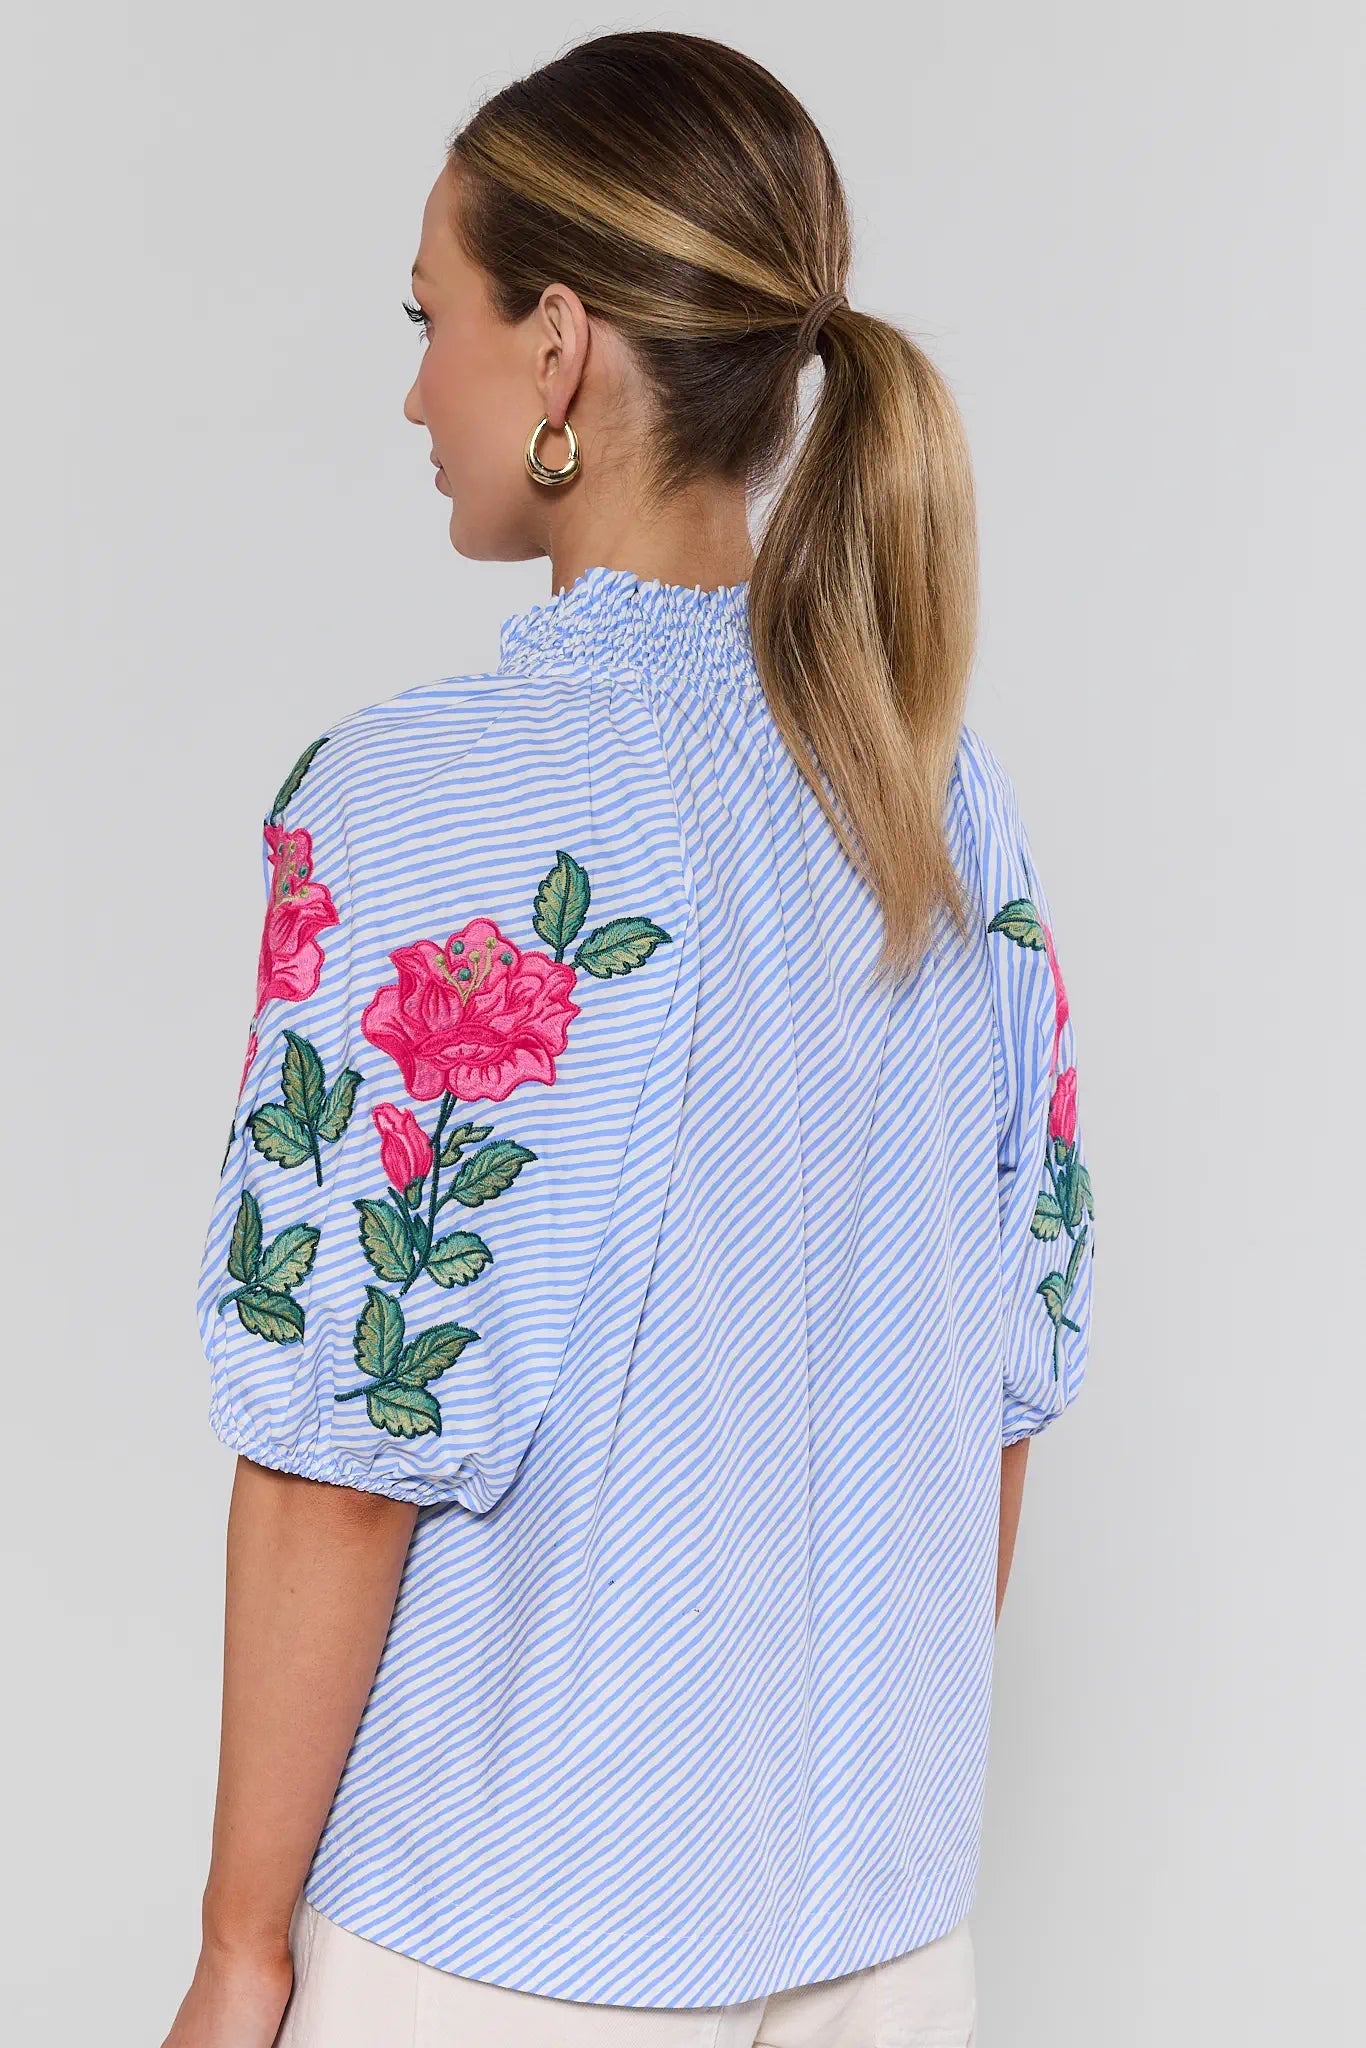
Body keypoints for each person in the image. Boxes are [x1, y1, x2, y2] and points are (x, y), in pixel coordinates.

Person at [162, 29, 1094, 2048]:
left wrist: (239, 1949)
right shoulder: (943, 800)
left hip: (509, 1932)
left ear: (560, 346)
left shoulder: (427, 802)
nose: (416, 389)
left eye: (431, 317)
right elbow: (1001, 1382)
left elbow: (344, 1458)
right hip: (880, 1930)